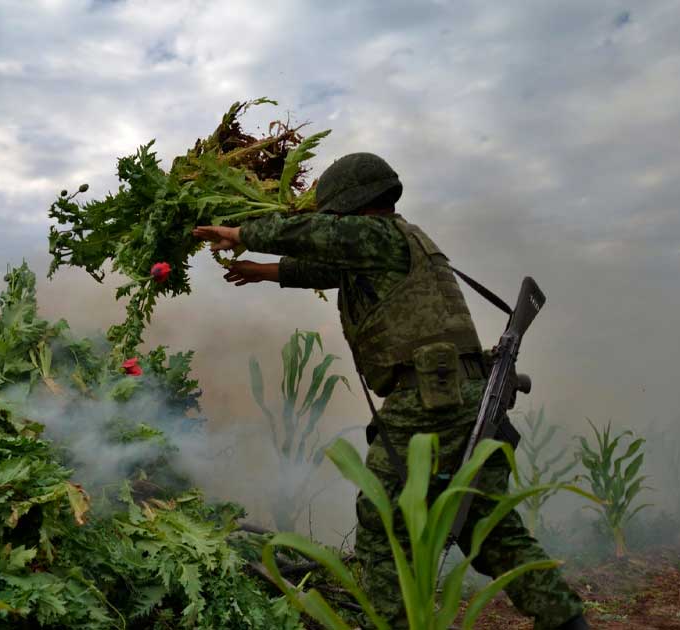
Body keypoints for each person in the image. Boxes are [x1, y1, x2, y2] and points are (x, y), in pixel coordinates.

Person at [192, 153, 588, 630]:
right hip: (460, 397)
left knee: (382, 518)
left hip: (426, 401)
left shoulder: (377, 235)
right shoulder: (399, 243)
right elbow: (326, 269)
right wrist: (264, 272)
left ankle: (393, 622)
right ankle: (568, 622)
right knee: (488, 527)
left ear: (348, 204)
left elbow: (317, 238)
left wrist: (241, 233)